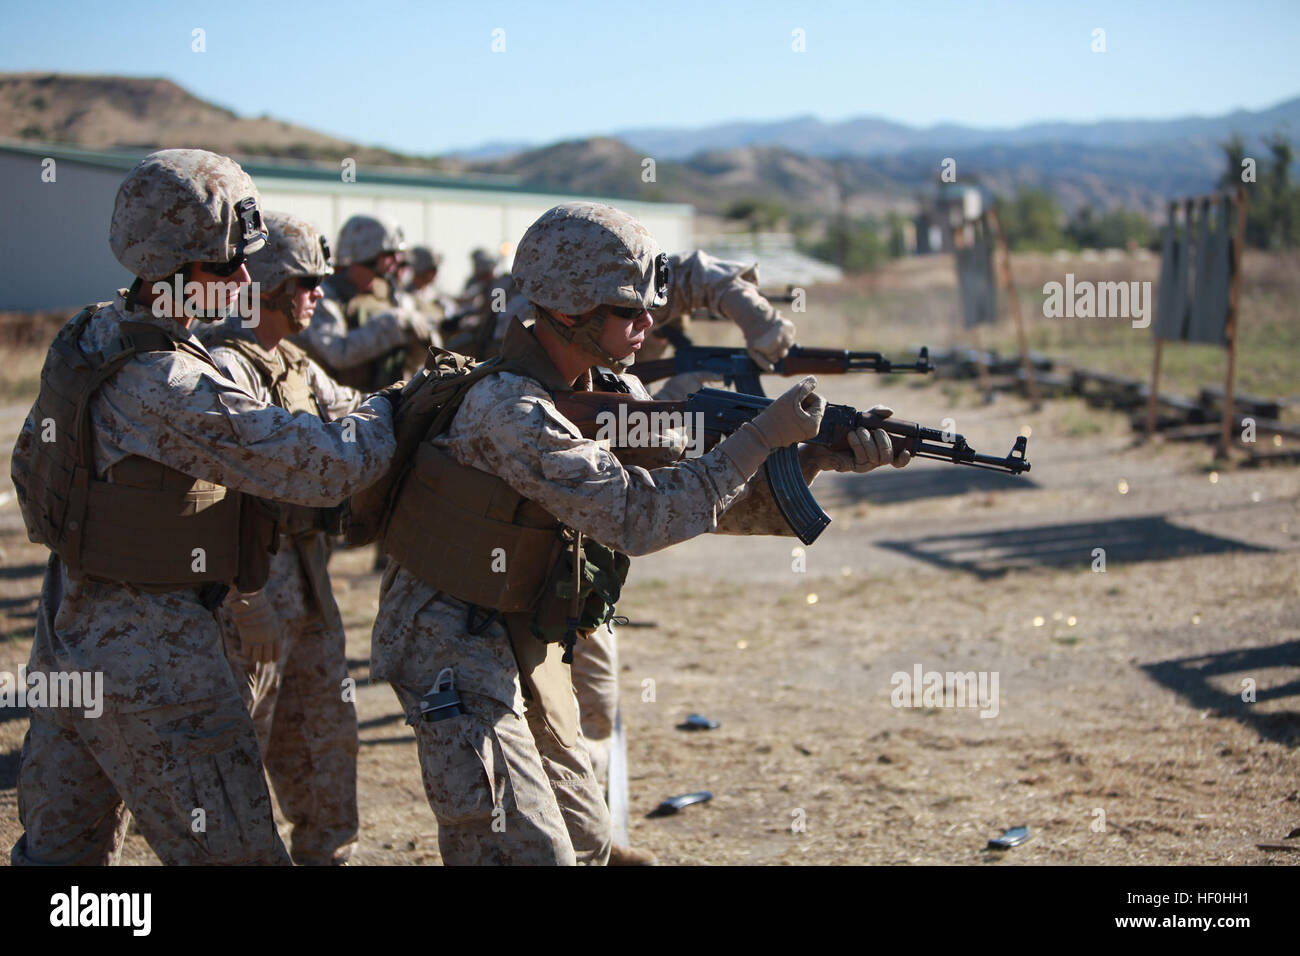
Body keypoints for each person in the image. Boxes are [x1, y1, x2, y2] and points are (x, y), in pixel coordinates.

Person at [368, 201, 910, 865]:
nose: (649, 324)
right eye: (629, 311)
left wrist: (813, 457)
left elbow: (695, 494)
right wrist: (761, 436)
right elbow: (637, 517)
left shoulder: (607, 391)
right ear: (568, 310)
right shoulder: (508, 409)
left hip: (523, 626)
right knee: (528, 850)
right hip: (444, 635)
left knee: (590, 841)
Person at [8, 149, 398, 866]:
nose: (248, 280)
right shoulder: (170, 381)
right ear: (167, 264)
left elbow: (31, 464)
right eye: (226, 267)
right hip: (154, 658)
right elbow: (324, 467)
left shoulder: (91, 334)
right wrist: (399, 413)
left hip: (70, 633)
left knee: (59, 857)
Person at [199, 211, 366, 866]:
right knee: (239, 748)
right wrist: (246, 596)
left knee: (325, 738)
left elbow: (356, 417)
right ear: (265, 286)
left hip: (310, 581)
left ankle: (327, 853)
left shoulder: (295, 363)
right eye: (305, 282)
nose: (318, 295)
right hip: (249, 590)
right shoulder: (218, 369)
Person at [293, 213, 438, 391]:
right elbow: (337, 353)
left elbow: (422, 357)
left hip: (391, 398)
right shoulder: (326, 296)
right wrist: (390, 324)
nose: (397, 260)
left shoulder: (394, 296)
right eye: (390, 254)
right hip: (341, 403)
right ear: (367, 253)